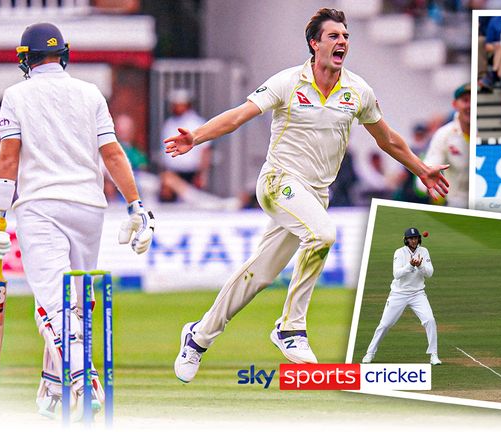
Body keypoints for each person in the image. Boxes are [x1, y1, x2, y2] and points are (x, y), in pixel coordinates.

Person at [166, 8, 449, 383]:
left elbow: (388, 140)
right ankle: (290, 328)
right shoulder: (288, 82)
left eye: (346, 36)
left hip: (315, 195)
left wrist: (420, 168)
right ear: (315, 43)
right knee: (323, 234)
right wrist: (196, 137)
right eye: (334, 36)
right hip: (278, 182)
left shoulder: (358, 90)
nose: (342, 42)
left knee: (259, 275)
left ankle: (198, 336)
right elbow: (238, 115)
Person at [0, 23, 154, 419]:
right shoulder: (90, 92)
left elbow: (8, 159)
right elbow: (112, 154)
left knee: (52, 306)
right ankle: (54, 385)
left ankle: (83, 379)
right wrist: (136, 205)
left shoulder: (15, 95)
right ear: (64, 54)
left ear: (25, 58)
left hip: (41, 205)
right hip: (88, 207)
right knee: (73, 304)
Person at [361, 228, 440, 365]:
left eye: (416, 238)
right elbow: (396, 274)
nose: (414, 240)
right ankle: (370, 353)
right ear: (406, 240)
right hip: (399, 294)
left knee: (430, 320)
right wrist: (410, 265)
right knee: (385, 324)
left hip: (418, 293)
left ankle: (433, 355)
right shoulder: (399, 252)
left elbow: (430, 273)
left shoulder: (424, 251)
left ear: (419, 239)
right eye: (411, 238)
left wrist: (420, 266)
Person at [416, 84, 469, 208]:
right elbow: (430, 164)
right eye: (465, 100)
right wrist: (427, 179)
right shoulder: (444, 135)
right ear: (455, 105)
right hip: (458, 207)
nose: (470, 106)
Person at [160, 88, 211, 190]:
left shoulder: (196, 122)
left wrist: (202, 174)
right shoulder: (169, 123)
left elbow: (205, 150)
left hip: (191, 172)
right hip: (173, 172)